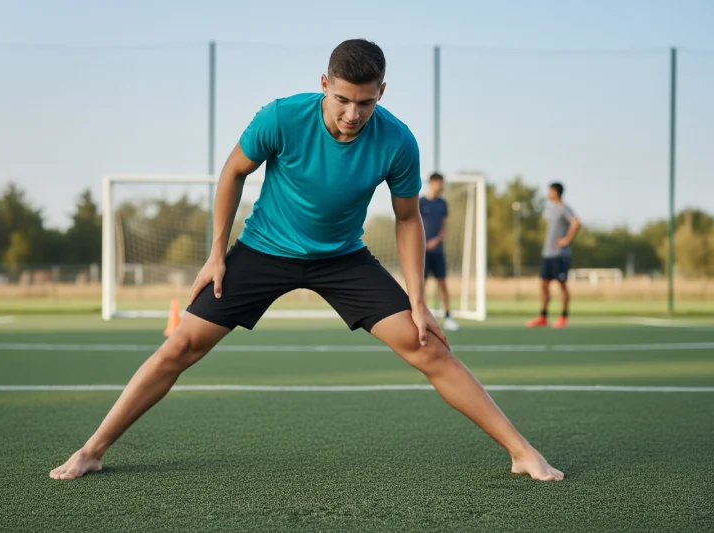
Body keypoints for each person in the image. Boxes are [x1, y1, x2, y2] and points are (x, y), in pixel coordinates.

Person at [50, 39, 563, 482]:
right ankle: (92, 451)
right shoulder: (281, 117)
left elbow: (408, 220)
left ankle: (522, 453)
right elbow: (233, 173)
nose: (352, 114)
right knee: (180, 345)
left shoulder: (398, 141)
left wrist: (418, 300)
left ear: (381, 92)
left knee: (427, 346)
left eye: (365, 102)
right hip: (263, 250)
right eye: (342, 98)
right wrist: (216, 256)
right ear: (324, 84)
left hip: (343, 258)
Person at [526, 182, 581, 328]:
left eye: (550, 191)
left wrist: (566, 239)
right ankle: (543, 316)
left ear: (556, 192)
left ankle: (564, 317)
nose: (548, 193)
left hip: (559, 254)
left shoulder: (564, 208)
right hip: (547, 253)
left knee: (562, 285)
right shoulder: (551, 210)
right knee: (544, 285)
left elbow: (576, 223)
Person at [419, 172, 460, 331]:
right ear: (433, 183)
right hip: (423, 251)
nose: (442, 186)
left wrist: (436, 241)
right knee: (422, 284)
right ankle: (422, 315)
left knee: (443, 283)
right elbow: (414, 224)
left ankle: (448, 317)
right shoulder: (421, 202)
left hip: (438, 251)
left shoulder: (443, 204)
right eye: (440, 183)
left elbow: (444, 226)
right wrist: (423, 242)